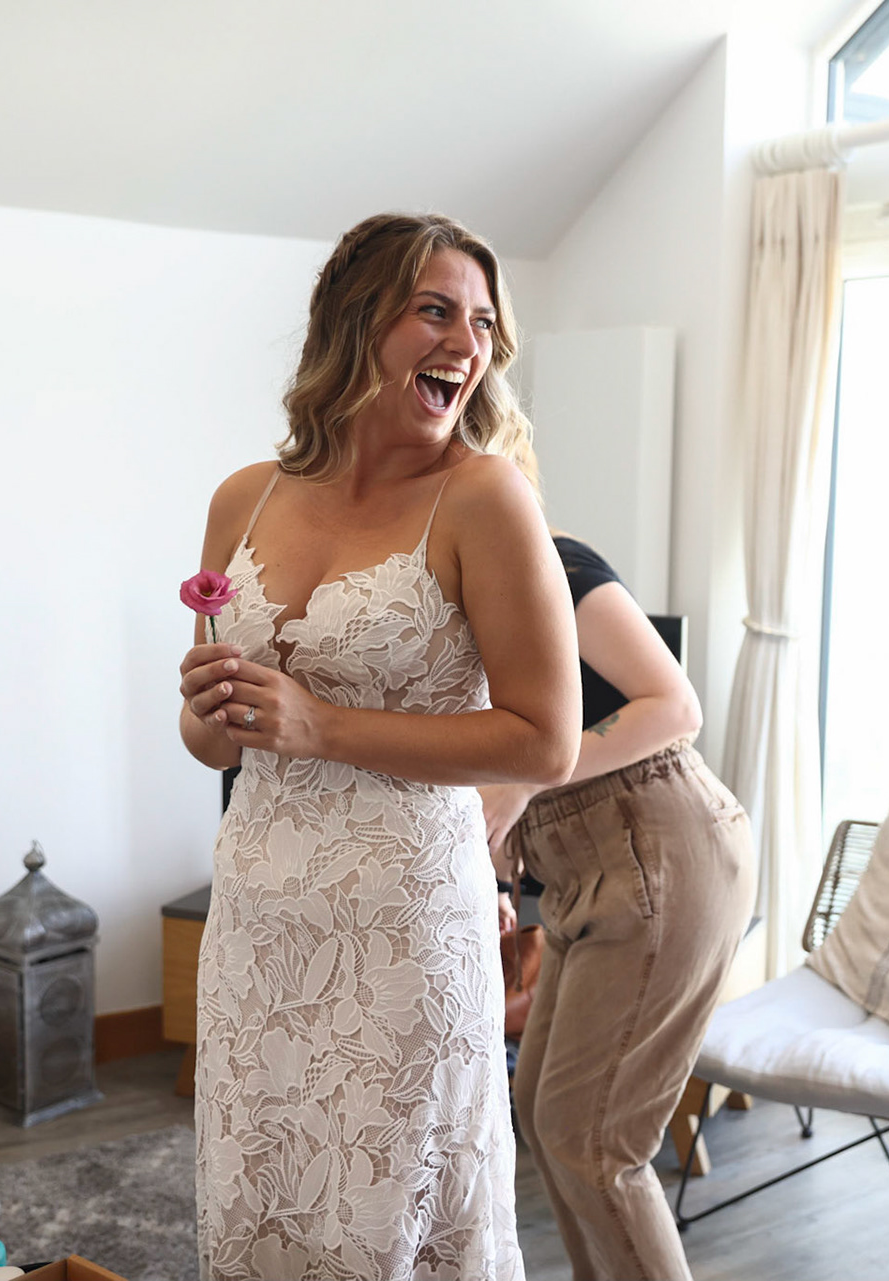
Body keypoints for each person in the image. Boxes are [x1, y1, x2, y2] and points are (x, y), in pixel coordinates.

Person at [175, 213, 580, 1280]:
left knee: (381, 1215)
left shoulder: (484, 499)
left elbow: (548, 740)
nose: (465, 343)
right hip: (259, 916)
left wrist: (322, 726)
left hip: (402, 927)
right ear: (356, 325)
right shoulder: (242, 498)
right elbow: (211, 748)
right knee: (265, 1195)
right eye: (435, 311)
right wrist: (210, 711)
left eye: (482, 322)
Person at [480, 517, 755, 1281]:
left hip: (661, 848)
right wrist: (502, 875)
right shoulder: (458, 606)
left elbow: (675, 706)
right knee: (542, 1109)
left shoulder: (552, 563)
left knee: (595, 1142)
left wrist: (534, 776)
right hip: (584, 866)